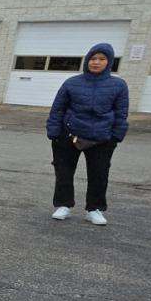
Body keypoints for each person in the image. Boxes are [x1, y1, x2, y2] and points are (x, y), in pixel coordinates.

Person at [45, 42, 129, 226]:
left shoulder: (118, 85)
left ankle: (94, 209)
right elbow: (58, 109)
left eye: (101, 59)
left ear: (109, 62)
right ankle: (63, 205)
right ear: (87, 61)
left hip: (102, 138)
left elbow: (121, 113)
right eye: (93, 59)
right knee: (64, 172)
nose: (96, 62)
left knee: (99, 174)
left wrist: (116, 136)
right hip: (69, 135)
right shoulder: (72, 83)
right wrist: (54, 131)